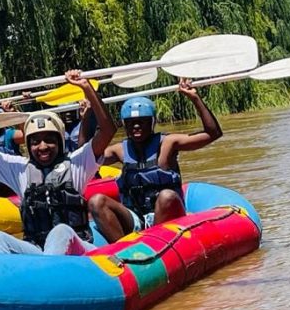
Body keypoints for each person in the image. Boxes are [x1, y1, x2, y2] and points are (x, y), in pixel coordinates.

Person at [0, 70, 115, 255]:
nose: (42, 146)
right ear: (28, 145)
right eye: (35, 142)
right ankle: (6, 280)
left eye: (49, 140)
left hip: (78, 251)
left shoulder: (77, 163)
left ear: (59, 142)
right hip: (38, 252)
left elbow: (108, 131)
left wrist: (87, 88)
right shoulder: (19, 168)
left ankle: (48, 279)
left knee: (60, 232)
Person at [88, 79, 223, 242]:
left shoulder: (168, 143)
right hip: (135, 218)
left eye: (142, 122)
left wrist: (194, 98)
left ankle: (157, 243)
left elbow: (212, 133)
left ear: (152, 123)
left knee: (166, 196)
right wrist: (88, 116)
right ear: (124, 125)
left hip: (168, 216)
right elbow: (88, 155)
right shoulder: (119, 150)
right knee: (97, 201)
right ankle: (126, 251)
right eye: (131, 123)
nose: (136, 126)